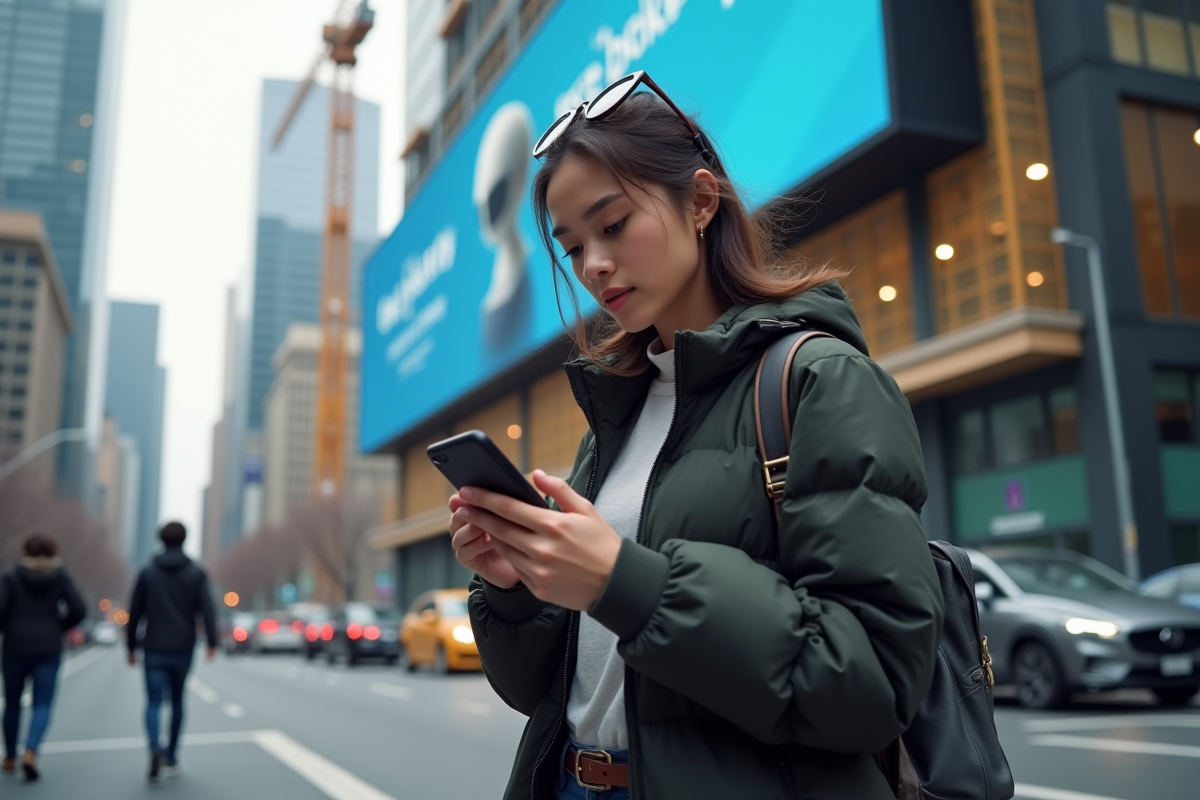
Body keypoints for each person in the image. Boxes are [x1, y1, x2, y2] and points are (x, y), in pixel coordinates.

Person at [450, 73, 945, 800]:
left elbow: (872, 682)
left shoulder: (820, 381)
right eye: (573, 244)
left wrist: (627, 581)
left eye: (613, 224)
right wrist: (517, 588)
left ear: (702, 201)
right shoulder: (615, 421)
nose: (593, 264)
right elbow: (549, 693)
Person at [126, 521, 217, 782]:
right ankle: (172, 756)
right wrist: (212, 641)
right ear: (185, 540)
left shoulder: (147, 572)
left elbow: (136, 612)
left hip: (153, 646)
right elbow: (206, 608)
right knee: (177, 700)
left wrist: (131, 646)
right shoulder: (196, 573)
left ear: (161, 540)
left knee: (153, 701)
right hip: (182, 645)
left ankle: (155, 746)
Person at [0, 533, 86, 781]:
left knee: (13, 704)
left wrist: (9, 627)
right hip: (48, 646)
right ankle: (31, 750)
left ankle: (8, 757)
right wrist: (58, 626)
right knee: (43, 703)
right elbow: (78, 608)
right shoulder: (60, 577)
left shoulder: (11, 576)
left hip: (15, 646)